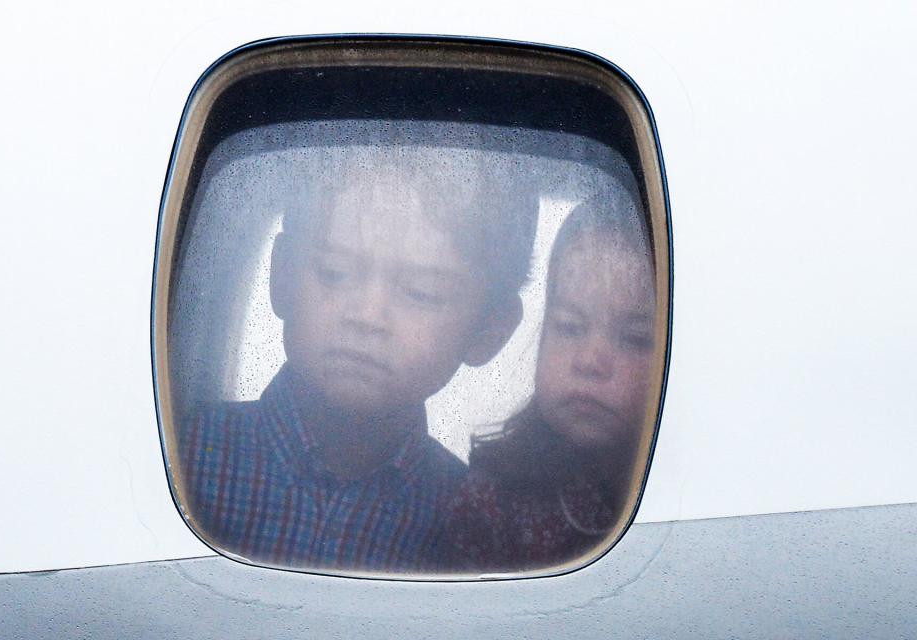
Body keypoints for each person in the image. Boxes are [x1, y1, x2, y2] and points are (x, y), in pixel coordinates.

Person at [177, 148, 538, 573]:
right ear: (282, 276)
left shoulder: (474, 527)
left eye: (420, 292)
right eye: (334, 272)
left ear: (489, 331)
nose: (367, 316)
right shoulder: (184, 456)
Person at [443, 190, 657, 573]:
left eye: (636, 338)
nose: (591, 361)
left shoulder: (690, 495)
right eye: (570, 327)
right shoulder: (493, 498)